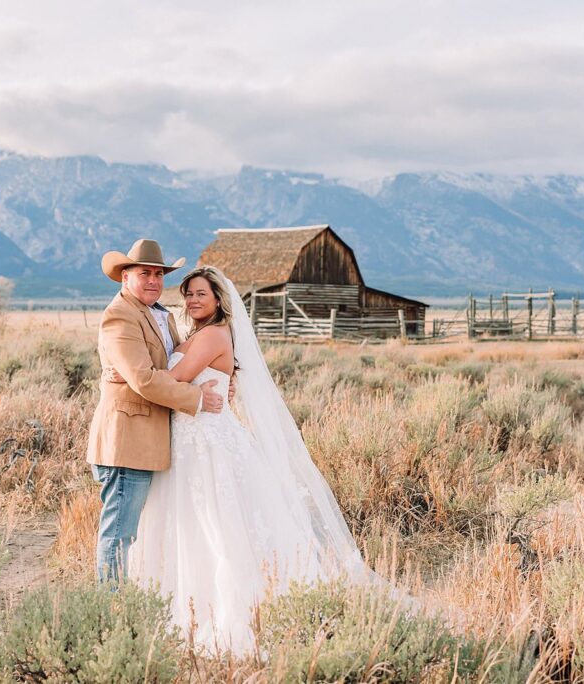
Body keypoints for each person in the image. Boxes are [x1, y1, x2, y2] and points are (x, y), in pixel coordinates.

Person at [115, 266, 375, 654]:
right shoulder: (198, 334)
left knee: (216, 525)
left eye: (201, 294)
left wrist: (130, 375)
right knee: (193, 521)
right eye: (188, 294)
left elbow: (175, 378)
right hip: (188, 441)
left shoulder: (212, 335)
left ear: (219, 299)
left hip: (207, 445)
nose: (193, 300)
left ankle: (228, 610)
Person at [86, 239, 225, 585]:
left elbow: (165, 367)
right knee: (119, 533)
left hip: (151, 442)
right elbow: (145, 380)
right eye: (144, 273)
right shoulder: (120, 316)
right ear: (125, 277)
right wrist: (196, 397)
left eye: (159, 274)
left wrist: (223, 380)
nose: (153, 280)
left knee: (137, 532)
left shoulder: (159, 314)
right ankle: (109, 606)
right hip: (127, 441)